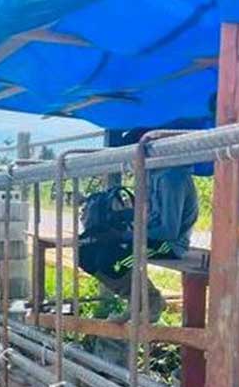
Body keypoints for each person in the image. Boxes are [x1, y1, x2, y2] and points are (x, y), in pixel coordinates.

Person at [79, 129, 199, 323]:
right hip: (148, 237)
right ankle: (136, 302)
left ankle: (151, 302)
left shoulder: (171, 177)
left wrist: (123, 235)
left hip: (170, 245)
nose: (131, 165)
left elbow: (168, 231)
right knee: (85, 248)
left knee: (111, 261)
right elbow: (148, 216)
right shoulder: (153, 174)